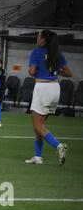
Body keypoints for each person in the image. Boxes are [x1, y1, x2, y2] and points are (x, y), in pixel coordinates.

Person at [25, 30, 72, 165]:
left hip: (43, 88)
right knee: (40, 125)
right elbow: (69, 73)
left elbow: (32, 71)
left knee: (37, 125)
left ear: (43, 40)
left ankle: (59, 146)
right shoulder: (58, 54)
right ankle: (38, 157)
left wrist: (30, 70)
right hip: (55, 88)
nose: (37, 39)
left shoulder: (36, 52)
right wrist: (56, 71)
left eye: (38, 37)